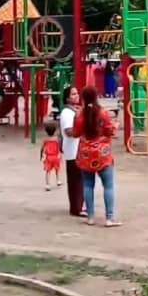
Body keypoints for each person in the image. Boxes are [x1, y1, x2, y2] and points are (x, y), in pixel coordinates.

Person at [71, 85, 121, 227]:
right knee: (108, 186)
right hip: (102, 154)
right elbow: (109, 131)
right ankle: (109, 218)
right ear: (96, 96)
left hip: (85, 154)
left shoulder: (79, 115)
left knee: (87, 185)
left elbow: (75, 134)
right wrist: (115, 126)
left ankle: (91, 217)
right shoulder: (103, 113)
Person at [60, 86, 85, 216]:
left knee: (80, 179)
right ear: (67, 97)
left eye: (77, 93)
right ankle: (76, 208)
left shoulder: (76, 110)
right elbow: (68, 131)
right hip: (72, 150)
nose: (76, 96)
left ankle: (80, 205)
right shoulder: (66, 113)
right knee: (75, 180)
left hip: (79, 149)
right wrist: (82, 131)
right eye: (73, 94)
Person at [41, 122, 62, 191]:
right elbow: (59, 148)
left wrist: (41, 156)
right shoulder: (56, 139)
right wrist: (60, 154)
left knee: (48, 171)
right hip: (55, 157)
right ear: (55, 131)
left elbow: (43, 149)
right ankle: (58, 180)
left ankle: (47, 185)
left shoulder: (45, 140)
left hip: (48, 157)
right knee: (57, 169)